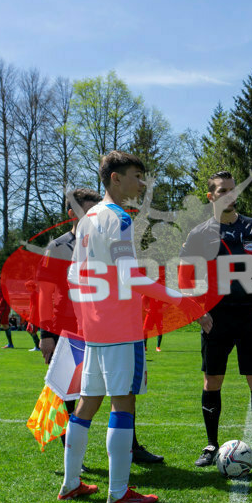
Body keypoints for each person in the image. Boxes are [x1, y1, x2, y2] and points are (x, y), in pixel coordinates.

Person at [58, 151, 159, 503]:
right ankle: (118, 493)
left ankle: (71, 483)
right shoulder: (119, 218)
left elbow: (73, 277)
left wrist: (86, 318)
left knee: (86, 405)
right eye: (136, 175)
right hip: (121, 330)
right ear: (115, 178)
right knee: (123, 403)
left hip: (96, 330)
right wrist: (180, 297)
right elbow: (130, 275)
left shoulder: (86, 220)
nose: (142, 183)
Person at [37, 187, 164, 466]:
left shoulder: (108, 235)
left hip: (107, 327)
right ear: (71, 213)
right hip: (70, 330)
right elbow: (45, 294)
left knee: (121, 392)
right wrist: (46, 334)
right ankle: (74, 460)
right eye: (87, 208)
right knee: (74, 393)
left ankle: (132, 447)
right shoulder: (57, 247)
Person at [180, 170, 252, 473]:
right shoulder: (199, 233)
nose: (228, 194)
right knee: (212, 380)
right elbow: (185, 278)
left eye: (231, 189)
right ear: (210, 196)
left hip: (250, 314)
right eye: (221, 190)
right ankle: (211, 445)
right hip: (215, 317)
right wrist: (197, 311)